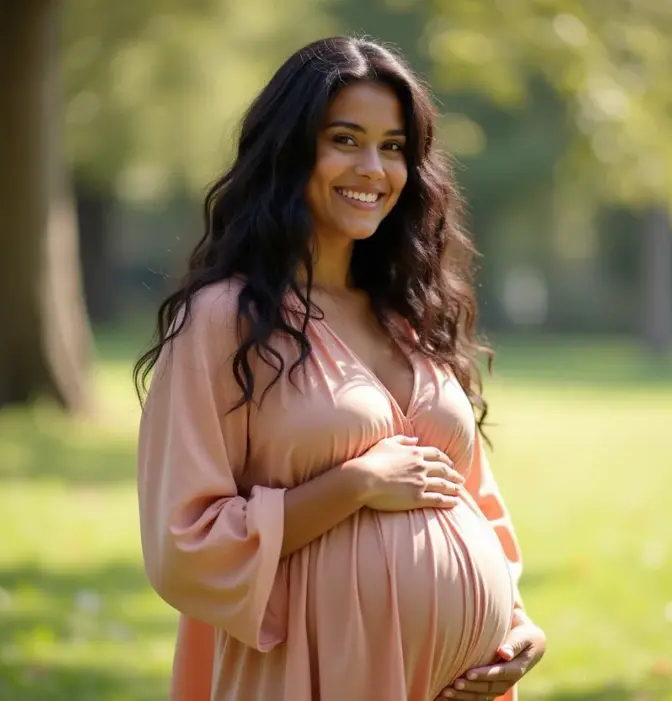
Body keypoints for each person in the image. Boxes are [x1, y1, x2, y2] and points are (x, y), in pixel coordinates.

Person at [134, 35, 546, 701]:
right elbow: (184, 543)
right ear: (290, 150)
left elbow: (473, 496)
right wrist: (352, 483)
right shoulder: (223, 321)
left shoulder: (410, 315)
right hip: (309, 671)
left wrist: (521, 625)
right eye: (346, 139)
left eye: (392, 147)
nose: (373, 168)